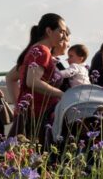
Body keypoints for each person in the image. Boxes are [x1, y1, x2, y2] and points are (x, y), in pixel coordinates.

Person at [13, 13, 68, 142]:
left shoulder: (40, 49)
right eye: (61, 32)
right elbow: (32, 81)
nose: (64, 36)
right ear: (49, 31)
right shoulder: (42, 50)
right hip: (37, 116)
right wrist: (60, 94)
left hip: (34, 114)